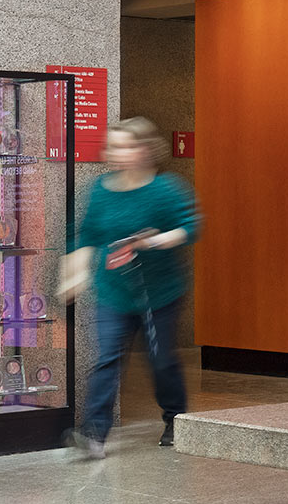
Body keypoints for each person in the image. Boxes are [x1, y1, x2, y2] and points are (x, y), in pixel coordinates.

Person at [58, 116, 201, 458]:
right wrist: (73, 274)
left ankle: (175, 420)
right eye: (113, 146)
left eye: (125, 146)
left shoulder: (166, 188)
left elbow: (191, 227)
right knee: (107, 358)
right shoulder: (99, 189)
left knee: (160, 360)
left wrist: (154, 241)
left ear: (146, 149)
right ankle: (94, 434)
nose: (116, 153)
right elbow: (86, 235)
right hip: (112, 292)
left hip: (159, 293)